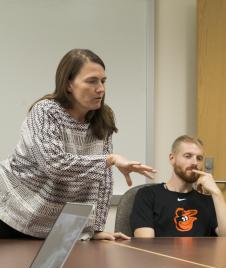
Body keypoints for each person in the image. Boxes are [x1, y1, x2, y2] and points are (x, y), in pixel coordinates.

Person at [0, 49, 156, 241]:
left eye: (103, 81)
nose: (101, 89)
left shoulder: (102, 117)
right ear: (68, 85)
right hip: (13, 213)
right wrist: (110, 160)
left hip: (56, 226)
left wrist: (96, 229)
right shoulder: (46, 111)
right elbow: (55, 165)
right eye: (92, 81)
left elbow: (102, 180)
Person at [131, 135, 226, 237]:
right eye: (188, 156)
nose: (194, 162)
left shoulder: (208, 201)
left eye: (199, 158)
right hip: (162, 256)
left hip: (201, 256)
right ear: (172, 158)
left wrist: (216, 193)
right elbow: (145, 244)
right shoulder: (147, 195)